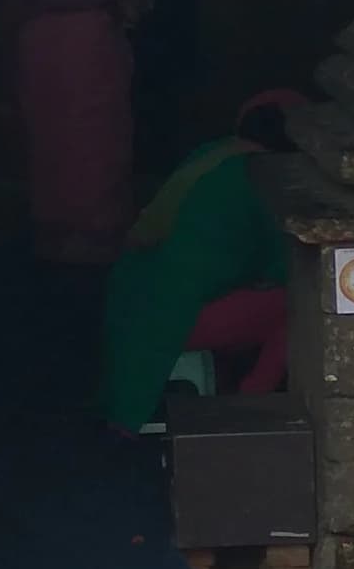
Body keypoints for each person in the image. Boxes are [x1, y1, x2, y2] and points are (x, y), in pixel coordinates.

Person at [98, 90, 303, 432]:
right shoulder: (259, 177)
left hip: (132, 307)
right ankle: (250, 405)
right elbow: (286, 266)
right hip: (173, 319)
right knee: (302, 303)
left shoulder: (213, 155)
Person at [0, 0, 149, 263]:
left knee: (48, 137)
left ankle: (54, 232)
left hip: (36, 54)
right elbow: (137, 6)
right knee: (95, 139)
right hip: (91, 52)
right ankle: (94, 239)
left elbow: (12, 4)